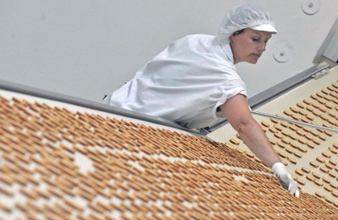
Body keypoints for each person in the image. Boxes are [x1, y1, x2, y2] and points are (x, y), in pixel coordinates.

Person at [104, 4, 299, 197]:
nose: (262, 48)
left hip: (108, 109)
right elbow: (243, 124)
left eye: (266, 41)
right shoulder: (225, 76)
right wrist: (278, 166)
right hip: (132, 133)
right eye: (255, 39)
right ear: (234, 33)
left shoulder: (195, 41)